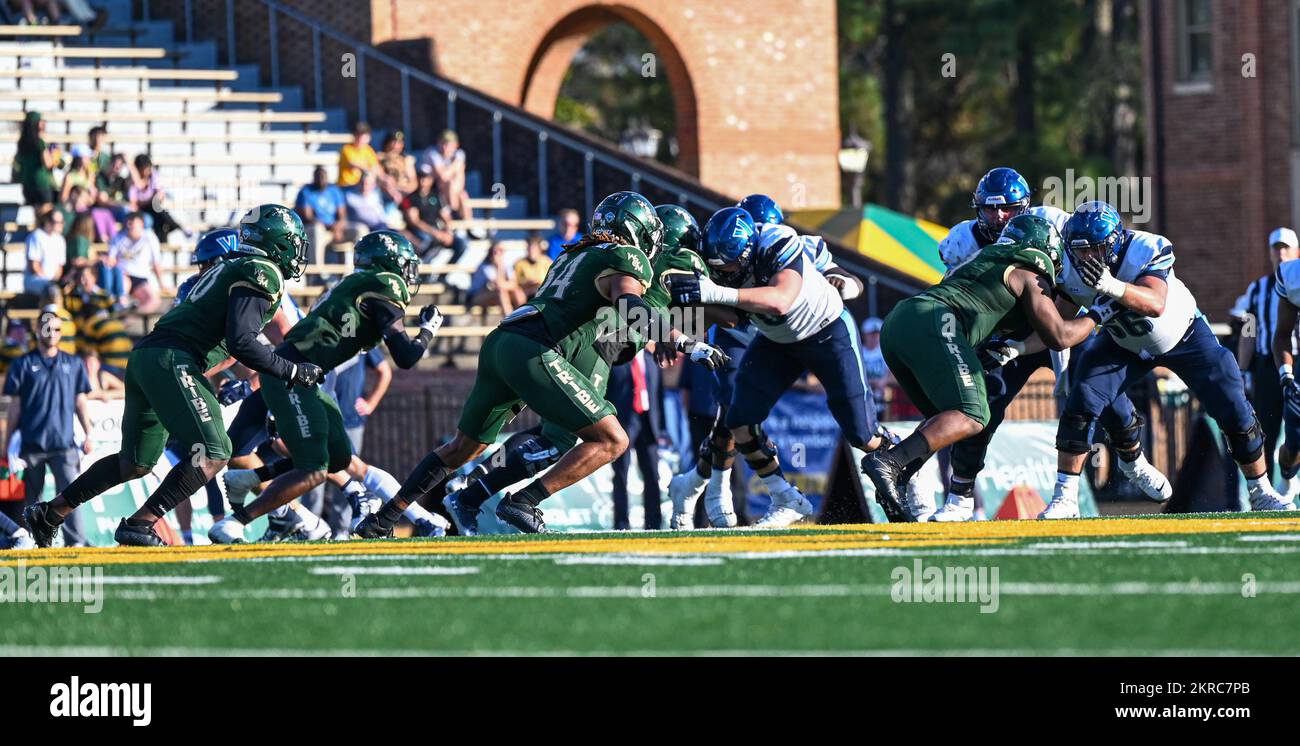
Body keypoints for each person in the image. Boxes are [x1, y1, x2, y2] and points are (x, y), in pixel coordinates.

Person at [357, 191, 727, 538]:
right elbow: (629, 305)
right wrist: (678, 338)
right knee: (613, 439)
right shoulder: (626, 258)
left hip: (503, 341)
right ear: (633, 231)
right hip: (536, 348)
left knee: (460, 449)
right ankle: (524, 502)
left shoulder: (573, 252)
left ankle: (383, 519)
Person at [22, 205, 322, 548]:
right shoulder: (261, 270)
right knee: (215, 450)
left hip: (149, 356)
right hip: (173, 359)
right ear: (279, 242)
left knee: (134, 462)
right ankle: (140, 523)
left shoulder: (232, 266)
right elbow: (242, 341)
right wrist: (292, 370)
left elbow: (229, 341)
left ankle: (50, 513)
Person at [931, 168, 1166, 522]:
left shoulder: (1051, 221)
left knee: (1100, 390)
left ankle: (1132, 458)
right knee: (983, 405)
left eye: (1008, 208)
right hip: (1008, 336)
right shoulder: (962, 241)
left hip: (1062, 320)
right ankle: (961, 495)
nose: (999, 217)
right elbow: (952, 290)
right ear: (977, 208)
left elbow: (1086, 249)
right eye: (991, 209)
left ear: (1025, 206)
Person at [1040, 203, 1291, 516]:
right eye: (1082, 250)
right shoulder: (1069, 266)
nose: (1089, 257)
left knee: (1233, 402)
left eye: (1098, 248)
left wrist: (1110, 286)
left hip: (1183, 335)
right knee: (1082, 399)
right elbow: (1061, 325)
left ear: (1116, 241)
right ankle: (1066, 498)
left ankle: (1261, 491)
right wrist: (1018, 345)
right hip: (1123, 341)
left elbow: (1155, 303)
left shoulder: (1145, 247)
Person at [862, 213, 1103, 520]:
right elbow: (1059, 336)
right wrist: (1096, 314)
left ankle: (900, 478)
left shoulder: (983, 256)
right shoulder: (1030, 274)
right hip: (936, 322)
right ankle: (890, 463)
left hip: (900, 322)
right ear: (1047, 249)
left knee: (946, 418)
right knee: (974, 414)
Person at [208, 231, 443, 543]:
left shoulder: (350, 284)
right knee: (315, 468)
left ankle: (252, 477)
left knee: (339, 458)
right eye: (405, 265)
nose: (408, 274)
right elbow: (406, 356)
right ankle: (236, 522)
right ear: (390, 263)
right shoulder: (386, 283)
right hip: (295, 375)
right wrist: (428, 329)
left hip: (300, 373)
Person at [671, 206, 878, 527]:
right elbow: (724, 316)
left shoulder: (782, 242)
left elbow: (782, 299)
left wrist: (843, 284)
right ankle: (780, 496)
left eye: (729, 264)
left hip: (820, 330)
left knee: (861, 433)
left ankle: (905, 461)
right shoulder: (710, 260)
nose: (724, 271)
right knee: (737, 415)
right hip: (768, 336)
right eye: (718, 266)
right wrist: (675, 337)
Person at [5, 309, 93, 546]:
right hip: (32, 444)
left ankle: (76, 541)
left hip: (64, 444)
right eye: (46, 328)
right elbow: (15, 407)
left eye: (56, 328)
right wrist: (7, 443)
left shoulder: (73, 363)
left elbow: (80, 402)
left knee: (72, 496)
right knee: (32, 501)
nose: (51, 333)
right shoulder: (23, 364)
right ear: (36, 330)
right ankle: (35, 543)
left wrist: (88, 432)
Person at [1234, 227, 1300, 491]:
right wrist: (1242, 369)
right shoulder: (1258, 289)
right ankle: (1268, 491)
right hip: (1268, 364)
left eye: (1286, 247)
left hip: (1297, 358)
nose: (1281, 253)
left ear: (1296, 251)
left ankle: (1288, 476)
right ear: (1270, 253)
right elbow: (1249, 331)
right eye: (1276, 248)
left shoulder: (1294, 278)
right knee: (1266, 429)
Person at [608, 349, 664, 529]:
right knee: (621, 475)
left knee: (652, 474)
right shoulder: (617, 359)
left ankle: (654, 523)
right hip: (622, 424)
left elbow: (658, 393)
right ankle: (621, 523)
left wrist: (662, 428)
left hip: (648, 423)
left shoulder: (651, 358)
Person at [401, 165, 467, 263]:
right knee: (427, 241)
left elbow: (445, 216)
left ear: (431, 179)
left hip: (435, 230)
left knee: (461, 244)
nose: (422, 180)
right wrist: (436, 233)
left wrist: (447, 231)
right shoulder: (409, 198)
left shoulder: (436, 196)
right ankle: (422, 270)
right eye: (420, 177)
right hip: (419, 232)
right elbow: (414, 221)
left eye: (426, 177)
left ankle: (443, 275)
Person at [107, 212, 169, 314]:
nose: (128, 225)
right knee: (121, 298)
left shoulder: (150, 237)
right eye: (127, 222)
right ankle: (120, 313)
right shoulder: (118, 237)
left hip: (140, 278)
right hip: (123, 275)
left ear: (141, 224)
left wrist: (162, 284)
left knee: (154, 301)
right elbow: (111, 260)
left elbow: (156, 263)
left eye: (132, 222)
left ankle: (127, 320)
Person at [294, 166, 352, 267]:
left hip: (335, 230)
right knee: (316, 229)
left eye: (323, 176)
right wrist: (331, 226)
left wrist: (338, 226)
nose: (321, 179)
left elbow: (342, 215)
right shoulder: (306, 191)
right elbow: (308, 218)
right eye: (318, 176)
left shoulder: (334, 190)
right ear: (314, 177)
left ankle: (356, 272)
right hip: (319, 231)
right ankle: (316, 273)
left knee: (360, 229)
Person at [129, 154, 185, 243]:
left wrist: (156, 197)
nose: (146, 171)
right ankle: (176, 226)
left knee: (159, 216)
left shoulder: (153, 174)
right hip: (142, 210)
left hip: (154, 208)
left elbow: (160, 193)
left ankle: (171, 230)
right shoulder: (132, 181)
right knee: (159, 215)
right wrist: (150, 200)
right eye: (144, 168)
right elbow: (134, 203)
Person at [419, 129, 473, 220]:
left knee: (463, 195)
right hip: (429, 189)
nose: (444, 147)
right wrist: (456, 164)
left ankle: (467, 224)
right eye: (442, 143)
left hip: (449, 190)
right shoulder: (432, 153)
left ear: (456, 145)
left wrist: (453, 169)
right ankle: (454, 213)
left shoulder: (459, 154)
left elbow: (460, 182)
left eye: (448, 144)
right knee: (451, 184)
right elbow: (443, 176)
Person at [14, 111, 58, 216]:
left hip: (27, 184)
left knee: (37, 212)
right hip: (41, 183)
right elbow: (47, 163)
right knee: (47, 210)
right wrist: (55, 158)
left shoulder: (21, 143)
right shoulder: (39, 142)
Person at [468, 241, 525, 315]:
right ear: (491, 254)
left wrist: (510, 286)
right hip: (475, 296)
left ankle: (521, 320)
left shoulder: (506, 264)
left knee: (518, 292)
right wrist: (499, 268)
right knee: (501, 292)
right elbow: (498, 284)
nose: (499, 254)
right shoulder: (485, 267)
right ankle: (509, 322)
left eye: (501, 251)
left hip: (493, 294)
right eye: (496, 252)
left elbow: (514, 283)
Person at [24, 208, 66, 297]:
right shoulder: (37, 236)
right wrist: (48, 281)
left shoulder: (60, 240)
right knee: (51, 290)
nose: (60, 225)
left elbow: (59, 267)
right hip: (35, 280)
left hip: (51, 282)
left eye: (61, 222)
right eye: (56, 222)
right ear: (48, 221)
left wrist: (54, 281)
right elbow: (34, 266)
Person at [377, 130, 416, 203]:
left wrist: (400, 188)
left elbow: (413, 184)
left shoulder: (407, 160)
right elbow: (381, 179)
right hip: (385, 197)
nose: (395, 146)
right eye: (393, 142)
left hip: (405, 195)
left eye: (399, 143)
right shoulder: (379, 158)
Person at [338, 121, 379, 189]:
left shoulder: (368, 150)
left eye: (363, 137)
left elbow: (376, 167)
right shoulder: (346, 149)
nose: (360, 139)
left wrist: (385, 178)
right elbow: (354, 164)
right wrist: (369, 171)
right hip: (347, 187)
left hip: (364, 186)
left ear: (369, 138)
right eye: (358, 136)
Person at [513, 234, 552, 298]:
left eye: (534, 248)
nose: (532, 251)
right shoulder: (520, 263)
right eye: (530, 248)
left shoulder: (547, 262)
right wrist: (527, 282)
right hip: (526, 293)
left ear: (539, 249)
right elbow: (516, 281)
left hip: (543, 292)